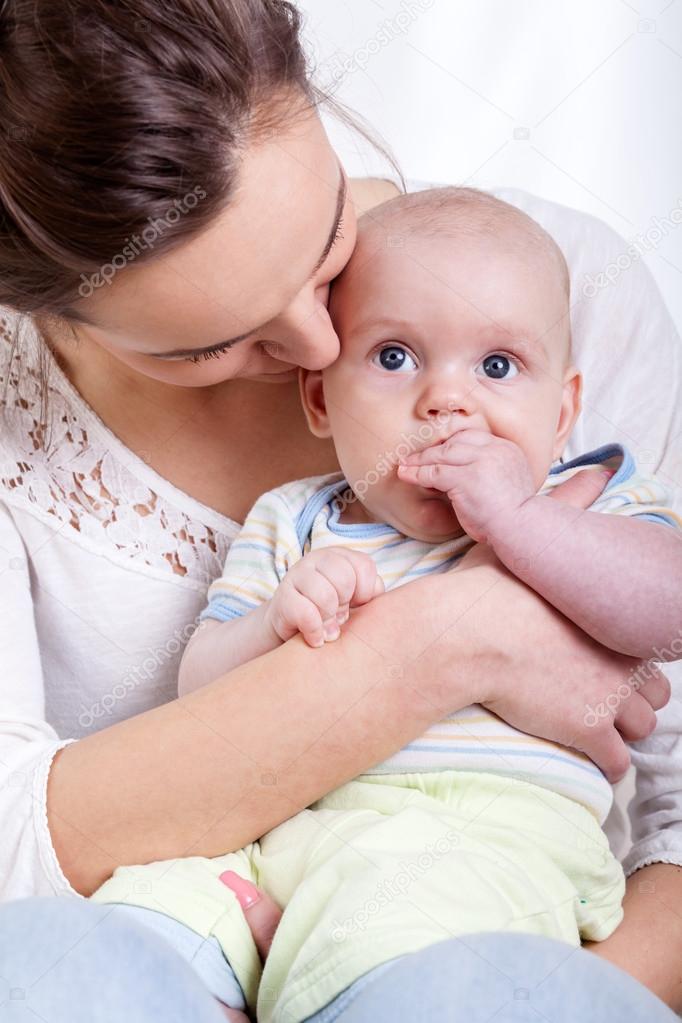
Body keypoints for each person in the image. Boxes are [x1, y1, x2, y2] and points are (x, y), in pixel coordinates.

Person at [0, 2, 680, 1021]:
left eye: (324, 241)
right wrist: (449, 639)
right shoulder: (296, 515)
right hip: (248, 878)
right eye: (206, 344)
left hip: (478, 897)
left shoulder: (546, 295)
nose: (322, 345)